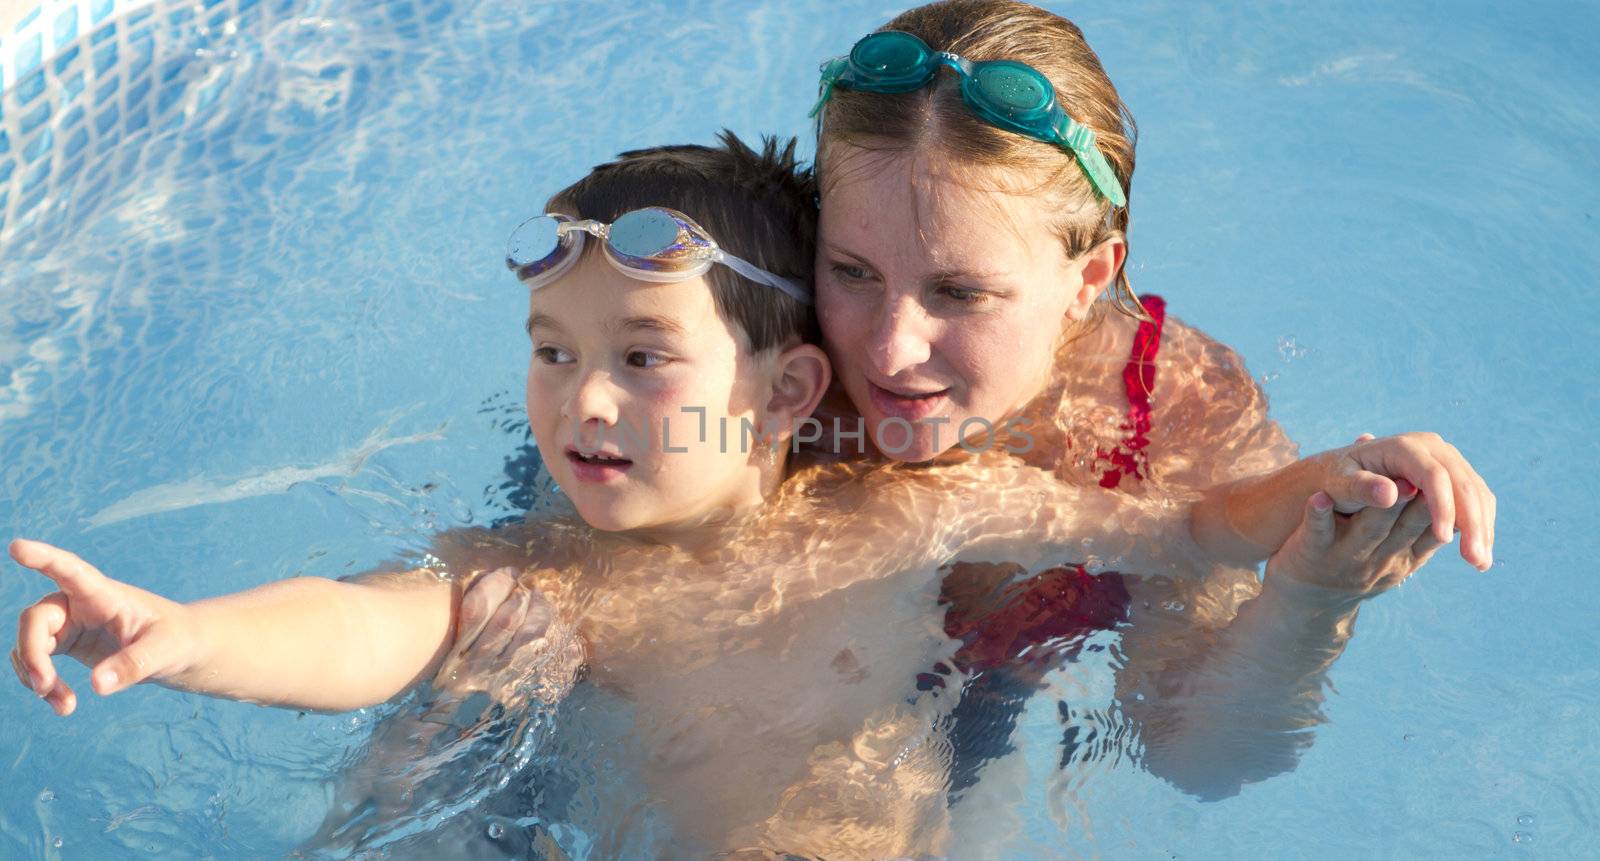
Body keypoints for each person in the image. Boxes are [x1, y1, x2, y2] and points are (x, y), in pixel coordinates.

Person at [10, 133, 1407, 856]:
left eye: (639, 359)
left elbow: (1179, 525)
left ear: (791, 392)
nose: (582, 402)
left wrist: (1327, 501)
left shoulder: (917, 509)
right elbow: (355, 623)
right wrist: (185, 635)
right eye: (551, 357)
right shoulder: (552, 575)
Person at [795, 0, 1497, 803]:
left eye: (960, 291)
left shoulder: (1169, 416)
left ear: (1089, 278)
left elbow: (1193, 756)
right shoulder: (756, 342)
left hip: (969, 740)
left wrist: (1310, 596)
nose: (889, 348)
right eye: (851, 270)